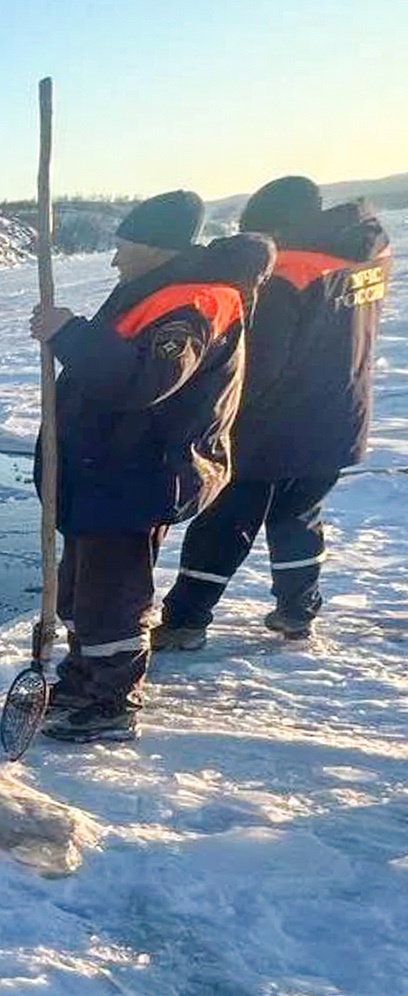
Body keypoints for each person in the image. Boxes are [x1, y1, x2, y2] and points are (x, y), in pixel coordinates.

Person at [28, 190, 274, 743]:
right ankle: (83, 679)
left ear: (156, 248)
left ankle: (111, 703)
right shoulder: (158, 291)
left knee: (112, 597)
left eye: (124, 247)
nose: (115, 259)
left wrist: (69, 334)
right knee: (82, 591)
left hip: (137, 475)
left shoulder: (194, 304)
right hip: (106, 470)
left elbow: (144, 381)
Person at [153, 177, 392, 648]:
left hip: (274, 423)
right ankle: (298, 611)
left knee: (224, 519)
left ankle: (185, 621)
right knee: (298, 515)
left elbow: (259, 360)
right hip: (339, 416)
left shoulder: (287, 272)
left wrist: (216, 411)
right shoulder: (364, 254)